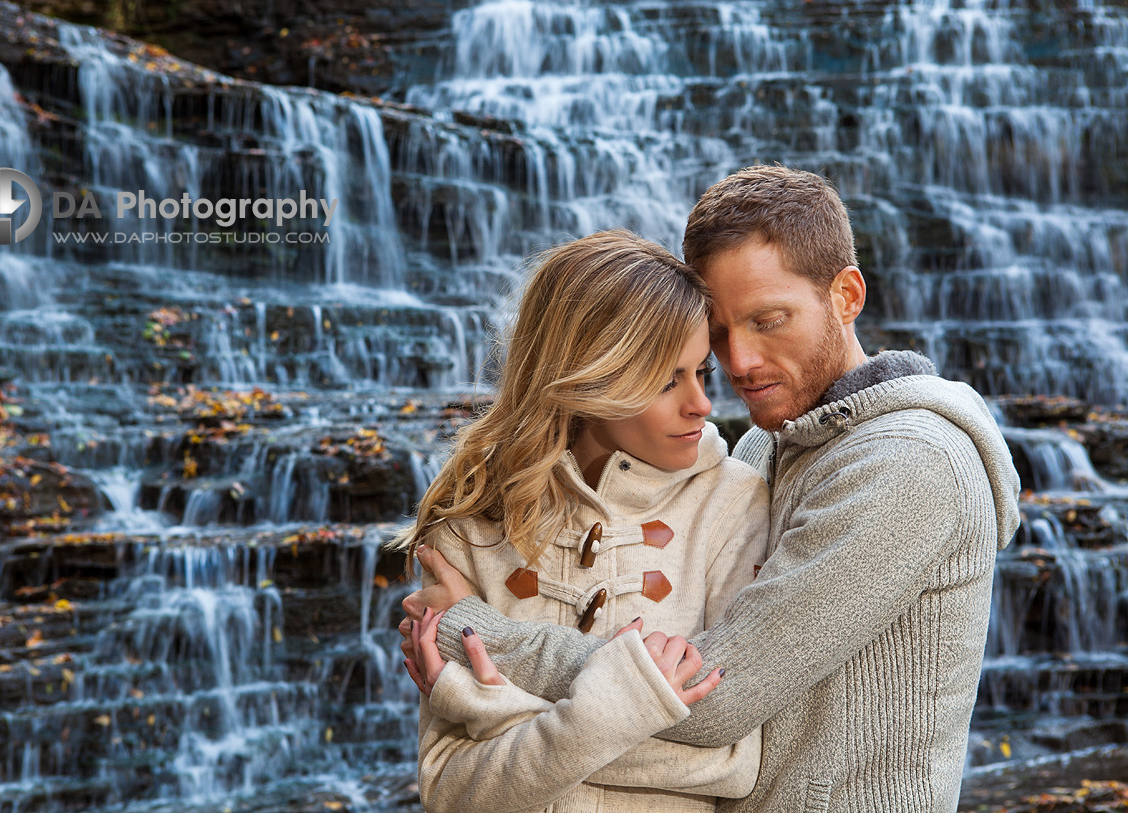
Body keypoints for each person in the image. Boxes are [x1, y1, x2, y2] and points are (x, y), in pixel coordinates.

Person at [402, 165, 1022, 811]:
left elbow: (709, 698)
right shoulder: (764, 447)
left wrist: (472, 634)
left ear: (846, 294)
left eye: (768, 319)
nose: (740, 363)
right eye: (719, 335)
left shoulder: (910, 465)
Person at [395, 228, 769, 813]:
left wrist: (497, 709)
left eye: (703, 374)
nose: (700, 403)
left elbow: (730, 763)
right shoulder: (471, 518)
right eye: (668, 379)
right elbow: (448, 788)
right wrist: (615, 715)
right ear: (590, 372)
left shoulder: (731, 504)